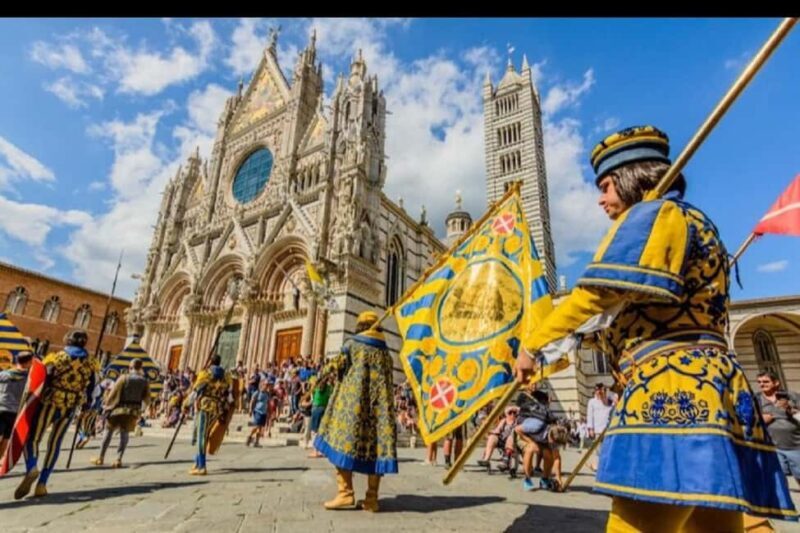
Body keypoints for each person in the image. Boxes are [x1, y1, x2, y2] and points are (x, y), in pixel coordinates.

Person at [515, 125, 796, 529]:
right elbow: (635, 314)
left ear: (631, 180)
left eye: (607, 186)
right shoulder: (699, 223)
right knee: (714, 524)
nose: (601, 198)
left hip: (672, 388)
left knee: (638, 522)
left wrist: (534, 343)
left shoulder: (652, 216)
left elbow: (596, 295)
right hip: (719, 387)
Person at [314, 311, 397, 512]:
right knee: (376, 450)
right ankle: (371, 499)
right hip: (379, 411)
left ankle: (345, 493)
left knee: (340, 442)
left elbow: (335, 366)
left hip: (352, 407)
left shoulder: (353, 345)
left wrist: (317, 380)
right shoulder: (386, 354)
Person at [15, 330, 99, 499]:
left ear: (67, 340)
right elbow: (93, 388)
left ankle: (32, 466)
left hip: (49, 402)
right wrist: (86, 406)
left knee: (33, 439)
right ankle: (42, 484)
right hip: (71, 406)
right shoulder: (92, 363)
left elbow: (42, 380)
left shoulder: (56, 358)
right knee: (56, 443)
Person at [90, 359, 151, 467]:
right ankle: (118, 459)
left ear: (130, 367)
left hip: (118, 409)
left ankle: (101, 457)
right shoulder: (145, 381)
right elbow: (147, 398)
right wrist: (142, 410)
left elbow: (114, 393)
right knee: (125, 434)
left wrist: (106, 406)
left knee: (108, 432)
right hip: (133, 411)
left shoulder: (124, 378)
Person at [186, 355, 233, 475]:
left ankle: (202, 466)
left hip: (205, 406)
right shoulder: (226, 376)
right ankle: (197, 462)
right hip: (217, 409)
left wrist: (186, 404)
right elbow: (230, 395)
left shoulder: (205, 374)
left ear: (210, 362)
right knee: (204, 434)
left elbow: (196, 391)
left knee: (202, 436)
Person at [756, 370, 800, 489]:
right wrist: (761, 420)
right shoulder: (756, 400)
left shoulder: (791, 396)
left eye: (766, 381)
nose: (762, 384)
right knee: (779, 480)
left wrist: (791, 410)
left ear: (776, 383)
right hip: (772, 447)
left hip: (796, 446)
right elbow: (750, 420)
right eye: (759, 382)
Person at [0, 350, 34, 460]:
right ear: (29, 362)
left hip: (1, 407)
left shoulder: (3, 374)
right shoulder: (29, 379)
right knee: (6, 438)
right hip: (15, 412)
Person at [586, 382, 614, 471]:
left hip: (608, 430)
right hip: (597, 430)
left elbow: (614, 407)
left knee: (608, 448)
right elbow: (589, 416)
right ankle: (598, 466)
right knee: (598, 450)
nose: (600, 392)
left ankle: (606, 465)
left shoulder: (609, 401)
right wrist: (590, 429)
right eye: (598, 390)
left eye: (602, 390)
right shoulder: (592, 402)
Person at [247, 380, 270, 447]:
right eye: (265, 385)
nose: (267, 386)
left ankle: (256, 442)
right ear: (262, 385)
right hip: (257, 411)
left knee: (260, 428)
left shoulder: (267, 394)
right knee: (256, 426)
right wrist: (250, 410)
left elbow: (267, 403)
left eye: (267, 385)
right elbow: (252, 401)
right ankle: (249, 437)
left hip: (264, 412)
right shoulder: (257, 392)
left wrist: (268, 412)